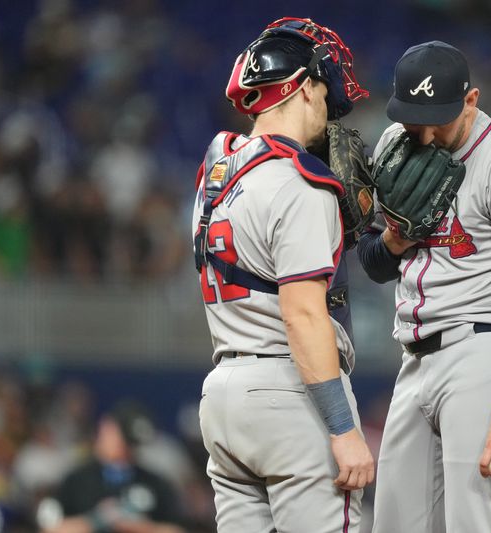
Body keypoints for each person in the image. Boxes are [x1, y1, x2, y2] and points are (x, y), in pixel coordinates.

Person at [358, 41, 491, 532]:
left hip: (486, 349)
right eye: (414, 118)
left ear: (470, 100)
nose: (425, 134)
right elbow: (373, 263)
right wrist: (394, 237)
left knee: (474, 523)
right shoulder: (393, 142)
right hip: (415, 357)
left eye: (439, 119)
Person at [191, 17, 374, 532]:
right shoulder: (302, 183)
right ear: (303, 88)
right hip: (291, 393)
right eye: (324, 87)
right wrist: (342, 428)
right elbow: (302, 316)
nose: (329, 105)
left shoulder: (215, 174)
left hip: (223, 393)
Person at [36, 402, 185, 533]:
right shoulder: (76, 480)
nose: (127, 450)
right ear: (106, 428)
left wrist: (141, 527)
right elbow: (49, 529)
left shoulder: (154, 483)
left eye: (132, 444)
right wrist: (96, 520)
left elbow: (177, 529)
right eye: (124, 441)